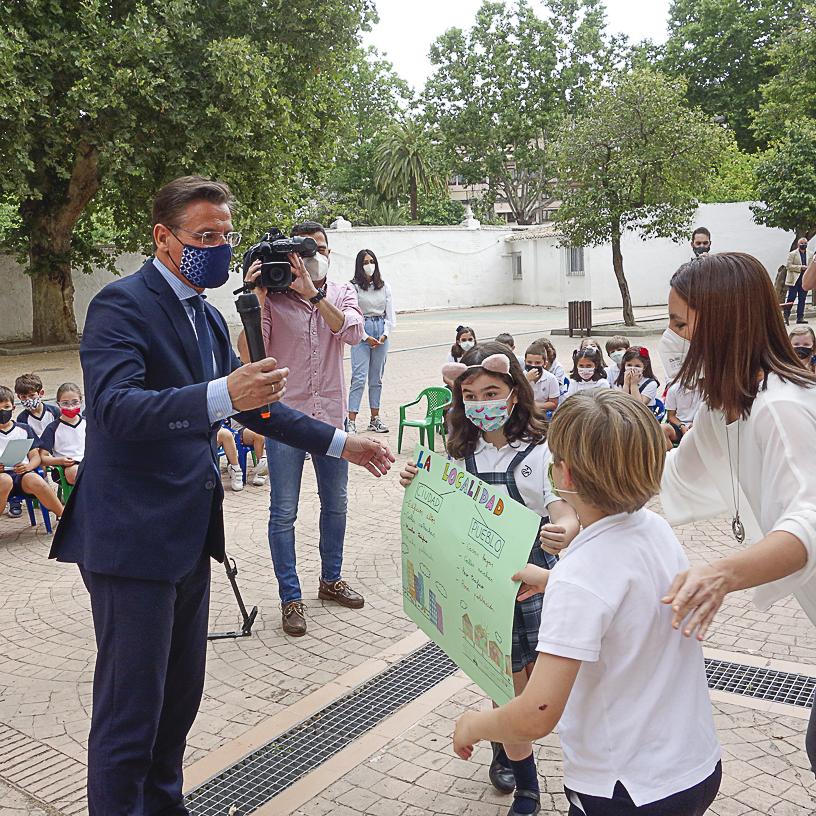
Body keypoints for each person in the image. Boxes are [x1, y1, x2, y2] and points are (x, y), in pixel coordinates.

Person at [49, 176, 393, 816]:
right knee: (131, 718)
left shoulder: (209, 315)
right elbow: (116, 408)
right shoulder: (119, 305)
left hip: (188, 539)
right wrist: (222, 396)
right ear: (164, 238)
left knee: (178, 705)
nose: (220, 246)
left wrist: (344, 443)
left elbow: (256, 409)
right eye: (205, 236)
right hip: (130, 542)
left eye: (226, 235)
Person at [453, 389, 722, 816]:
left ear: (566, 476)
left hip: (626, 788)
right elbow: (624, 597)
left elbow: (538, 712)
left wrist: (474, 725)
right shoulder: (653, 529)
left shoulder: (582, 574)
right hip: (694, 764)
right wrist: (553, 581)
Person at [401, 342, 579, 815]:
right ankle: (527, 784)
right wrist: (418, 482)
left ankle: (511, 736)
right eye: (471, 396)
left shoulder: (542, 451)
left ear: (515, 392)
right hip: (485, 585)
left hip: (536, 580)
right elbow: (442, 502)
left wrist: (566, 528)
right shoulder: (461, 452)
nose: (482, 404)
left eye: (492, 392)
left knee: (550, 681)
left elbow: (562, 505)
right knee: (508, 683)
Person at [656, 253, 816, 773]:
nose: (672, 335)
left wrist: (722, 574)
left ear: (722, 322)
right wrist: (572, 484)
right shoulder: (727, 403)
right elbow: (674, 472)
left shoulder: (780, 406)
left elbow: (810, 520)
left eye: (681, 323)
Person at [240, 219, 367, 638]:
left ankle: (331, 580)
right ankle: (289, 597)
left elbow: (352, 332)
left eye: (319, 249)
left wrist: (313, 295)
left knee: (337, 504)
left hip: (331, 416)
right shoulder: (271, 298)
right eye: (304, 249)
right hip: (285, 422)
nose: (312, 256)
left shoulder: (341, 291)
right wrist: (253, 298)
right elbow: (248, 353)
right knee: (283, 512)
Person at [347, 249, 396, 434]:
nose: (370, 265)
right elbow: (350, 313)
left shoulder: (384, 286)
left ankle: (375, 418)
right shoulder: (353, 287)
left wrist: (384, 335)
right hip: (361, 331)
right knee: (358, 378)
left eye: (372, 261)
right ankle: (350, 420)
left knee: (376, 379)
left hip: (380, 330)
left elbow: (390, 315)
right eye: (366, 262)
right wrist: (364, 336)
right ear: (360, 266)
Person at [0, 384, 64, 521]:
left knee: (35, 479)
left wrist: (29, 466)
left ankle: (64, 516)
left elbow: (35, 456)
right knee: (4, 480)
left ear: (13, 407)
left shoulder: (24, 429)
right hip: (2, 480)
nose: (2, 412)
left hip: (22, 476)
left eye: (6, 407)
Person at [12, 373, 60, 517]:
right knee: (41, 467)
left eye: (32, 395)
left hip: (52, 451)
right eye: (23, 397)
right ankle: (44, 493)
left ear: (41, 393)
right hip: (36, 453)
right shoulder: (22, 418)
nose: (28, 400)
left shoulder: (53, 411)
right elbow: (29, 443)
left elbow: (59, 433)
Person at [37, 382, 85, 486]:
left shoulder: (88, 423)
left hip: (88, 463)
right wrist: (60, 461)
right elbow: (43, 457)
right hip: (64, 468)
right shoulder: (52, 428)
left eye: (75, 402)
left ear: (81, 401)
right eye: (65, 403)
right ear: (58, 404)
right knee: (79, 472)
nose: (71, 406)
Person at [217, 421, 267, 491]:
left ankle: (262, 468)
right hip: (240, 429)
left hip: (256, 428)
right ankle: (236, 469)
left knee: (263, 432)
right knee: (259, 434)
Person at [663, 380, 702, 448]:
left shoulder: (707, 390)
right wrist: (681, 426)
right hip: (678, 425)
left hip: (699, 425)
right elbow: (671, 415)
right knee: (663, 429)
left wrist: (695, 424)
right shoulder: (673, 389)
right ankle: (670, 456)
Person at [523, 341, 560, 413]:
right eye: (529, 362)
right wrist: (526, 380)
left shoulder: (551, 379)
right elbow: (514, 397)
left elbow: (553, 403)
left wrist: (533, 406)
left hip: (542, 412)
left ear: (545, 363)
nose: (533, 366)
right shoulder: (521, 376)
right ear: (525, 362)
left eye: (537, 363)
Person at [784, 237, 813, 325]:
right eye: (802, 244)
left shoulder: (810, 254)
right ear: (798, 245)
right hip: (794, 279)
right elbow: (788, 266)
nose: (804, 245)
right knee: (791, 298)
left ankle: (800, 317)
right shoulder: (792, 254)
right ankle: (786, 316)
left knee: (802, 298)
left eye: (805, 244)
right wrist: (800, 267)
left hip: (805, 279)